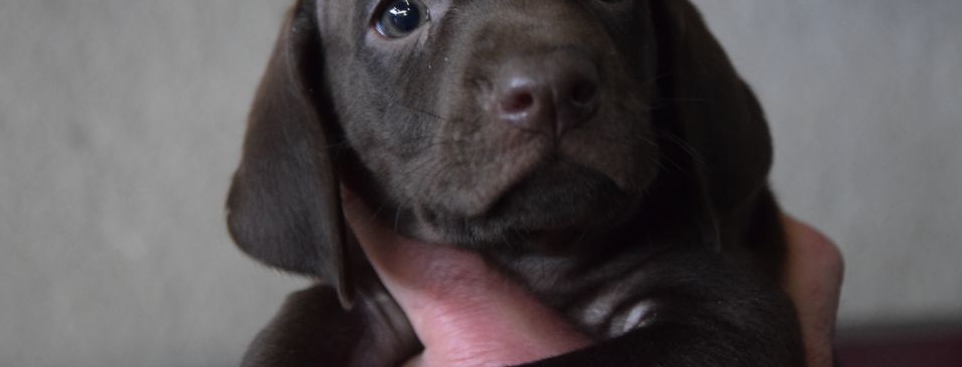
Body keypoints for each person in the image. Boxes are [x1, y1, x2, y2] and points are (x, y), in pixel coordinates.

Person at [343, 191, 844, 367]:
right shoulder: (364, 295)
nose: (541, 66)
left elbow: (741, 340)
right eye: (402, 15)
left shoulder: (671, 234)